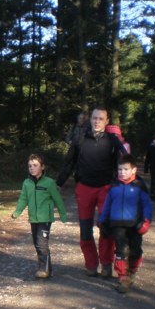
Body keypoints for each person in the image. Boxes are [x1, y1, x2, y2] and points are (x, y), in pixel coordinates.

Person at [57, 107, 127, 278]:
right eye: (94, 118)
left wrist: (131, 185)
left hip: (106, 189)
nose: (97, 121)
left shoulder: (112, 141)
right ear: (90, 120)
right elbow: (69, 162)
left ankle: (106, 263)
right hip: (85, 188)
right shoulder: (80, 139)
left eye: (101, 119)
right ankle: (91, 264)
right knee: (85, 230)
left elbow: (125, 163)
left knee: (106, 228)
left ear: (107, 121)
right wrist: (58, 183)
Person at [99, 154, 152, 293]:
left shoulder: (139, 186)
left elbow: (147, 205)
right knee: (120, 251)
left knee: (135, 250)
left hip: (135, 225)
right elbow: (107, 205)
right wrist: (102, 221)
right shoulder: (114, 186)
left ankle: (132, 270)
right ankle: (122, 277)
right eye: (120, 169)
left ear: (134, 170)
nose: (122, 172)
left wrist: (146, 221)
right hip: (117, 224)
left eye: (125, 169)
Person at [11, 154, 69, 279]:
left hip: (45, 219)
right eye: (30, 166)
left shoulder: (49, 183)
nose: (32, 168)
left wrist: (63, 215)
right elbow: (23, 199)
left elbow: (57, 200)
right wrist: (17, 212)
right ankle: (47, 268)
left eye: (35, 165)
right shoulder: (26, 183)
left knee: (41, 244)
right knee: (36, 243)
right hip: (33, 218)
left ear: (42, 167)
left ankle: (44, 269)